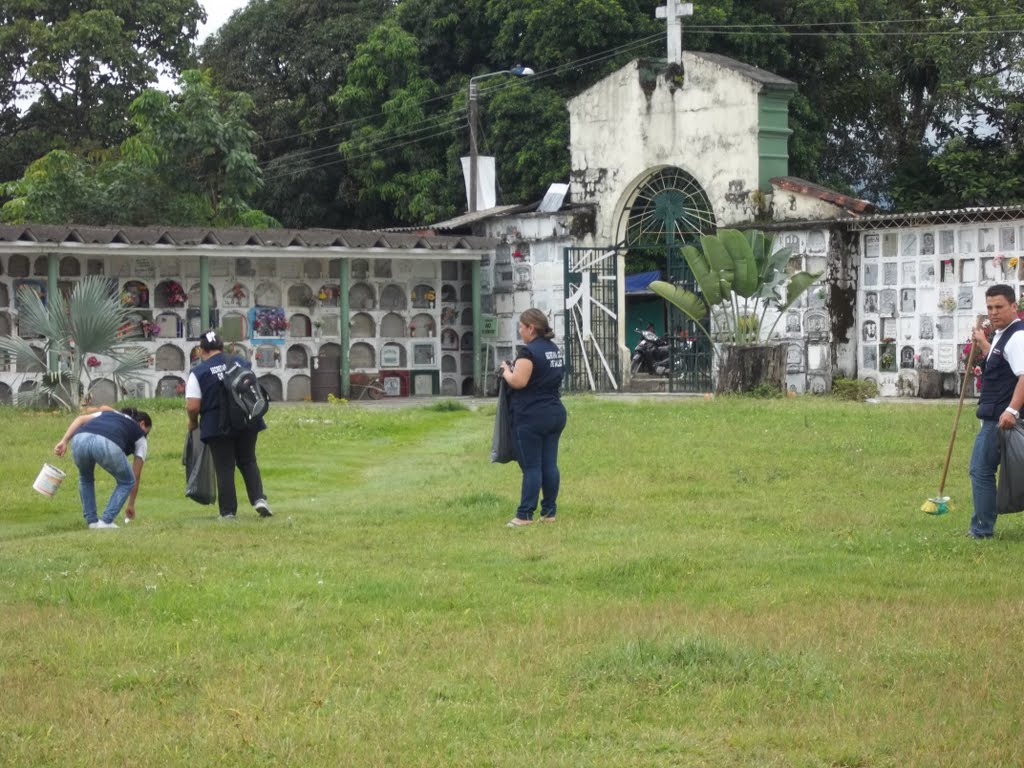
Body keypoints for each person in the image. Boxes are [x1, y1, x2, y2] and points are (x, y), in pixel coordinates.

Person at [185, 330, 272, 520]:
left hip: (217, 425)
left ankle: (228, 512)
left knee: (225, 467)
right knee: (248, 460)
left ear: (201, 350)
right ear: (222, 346)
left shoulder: (198, 372)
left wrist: (192, 422)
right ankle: (259, 499)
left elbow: (192, 406)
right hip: (246, 419)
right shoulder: (241, 362)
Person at [498, 308, 567, 527]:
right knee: (549, 465)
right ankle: (549, 513)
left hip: (532, 415)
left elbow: (518, 382)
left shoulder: (528, 352)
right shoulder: (553, 349)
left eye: (521, 326)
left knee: (532, 467)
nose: (520, 331)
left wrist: (506, 371)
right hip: (554, 412)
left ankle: (524, 515)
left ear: (531, 328)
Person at [968, 284, 1024, 539]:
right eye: (989, 307)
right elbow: (1002, 362)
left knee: (980, 470)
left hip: (1001, 419)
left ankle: (981, 531)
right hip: (997, 416)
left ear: (1014, 306)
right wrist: (984, 344)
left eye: (999, 307)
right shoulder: (1004, 334)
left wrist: (1012, 409)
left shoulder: (1018, 336)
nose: (993, 312)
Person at [54, 406, 152, 529]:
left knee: (85, 477)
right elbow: (135, 475)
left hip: (79, 438)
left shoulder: (110, 414)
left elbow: (80, 419)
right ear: (142, 424)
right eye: (147, 431)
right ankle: (106, 521)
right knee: (128, 481)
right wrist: (131, 504)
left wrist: (64, 441)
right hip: (107, 442)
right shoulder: (141, 436)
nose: (146, 434)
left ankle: (92, 522)